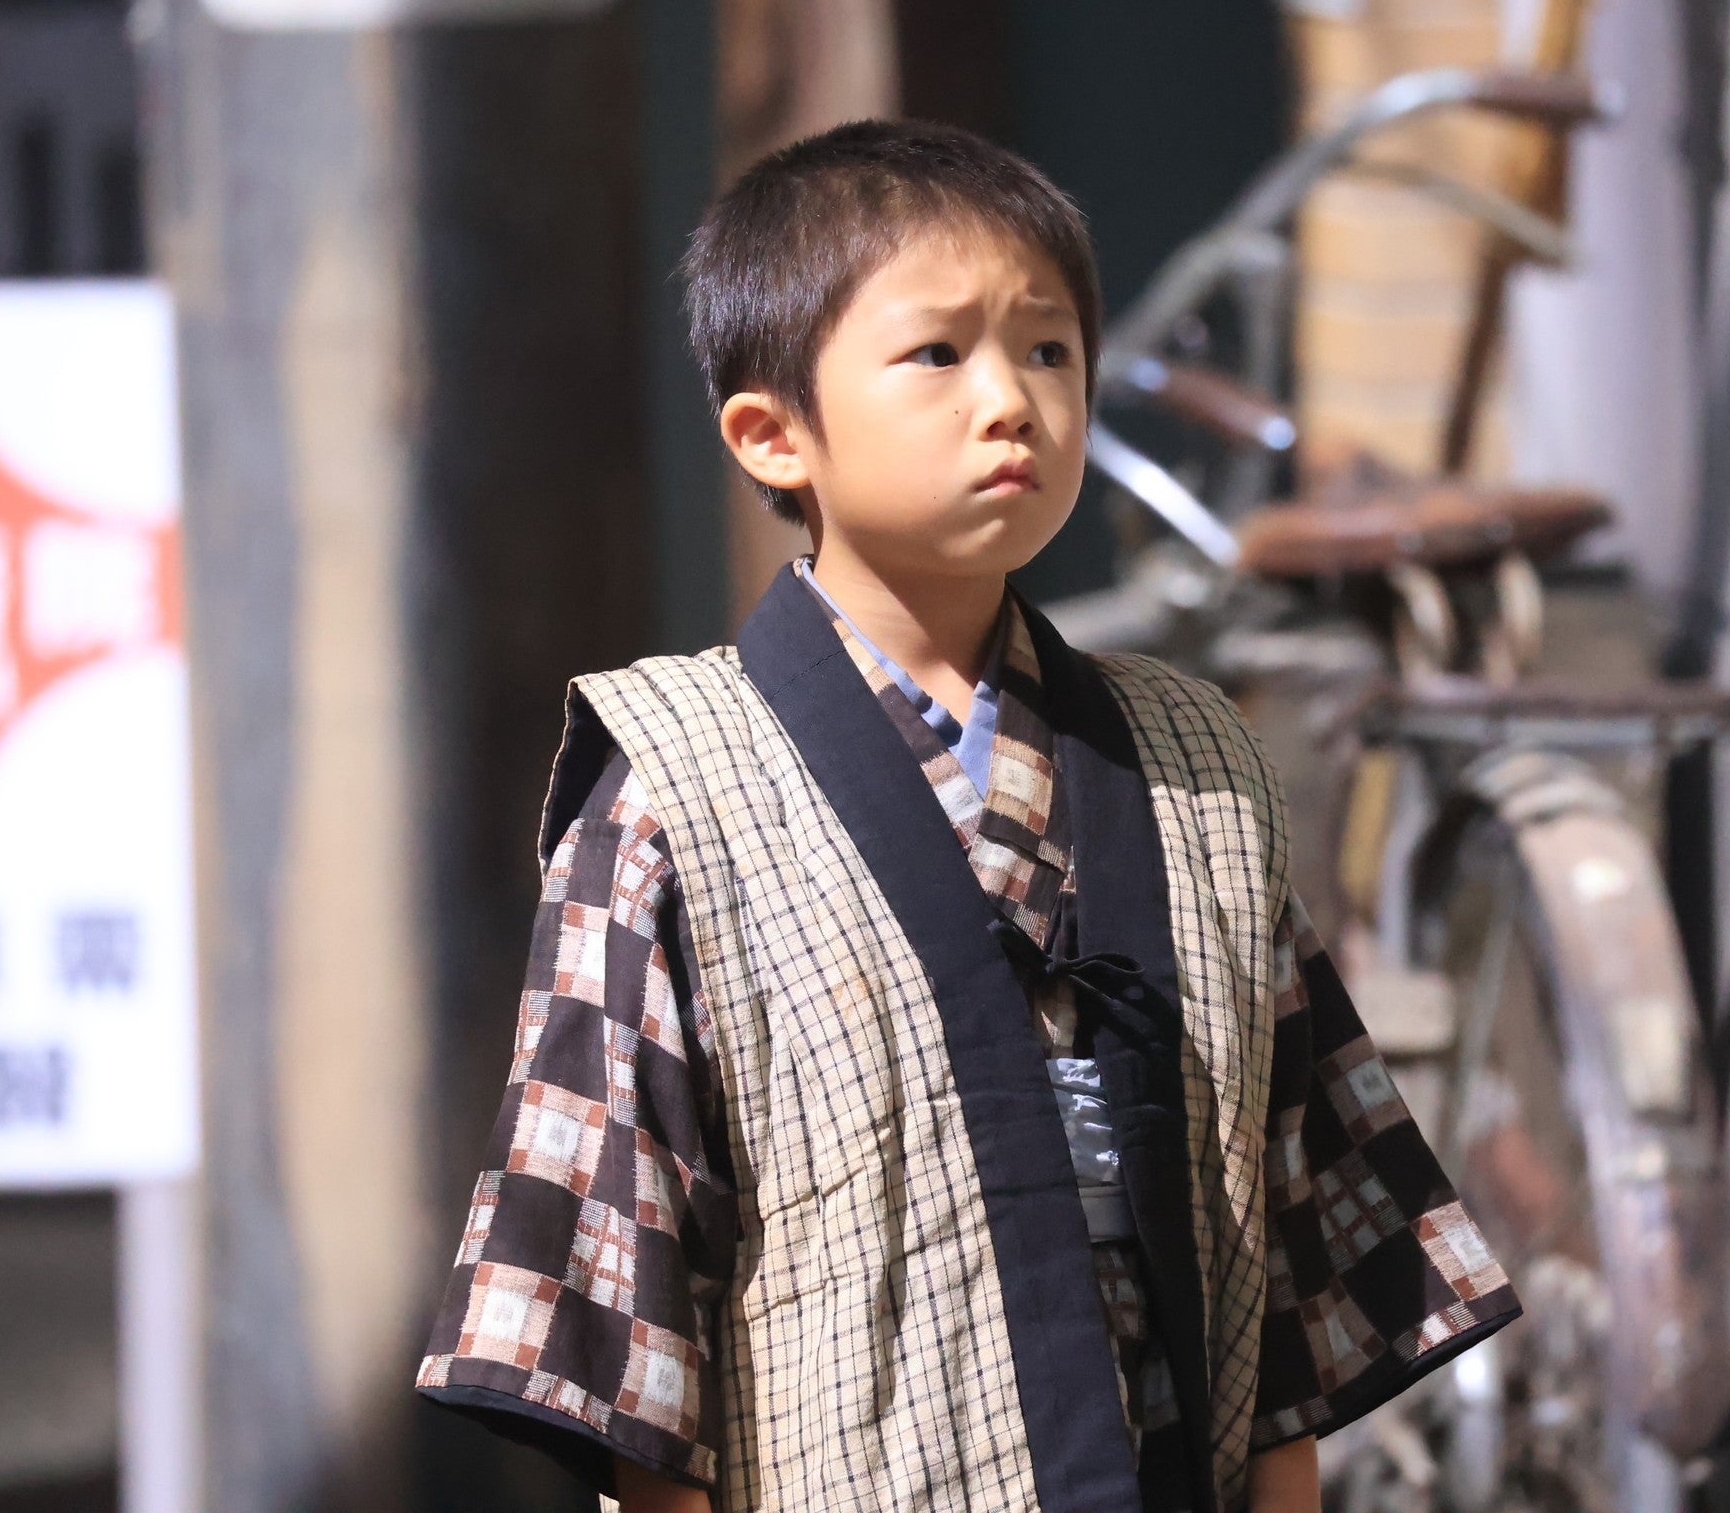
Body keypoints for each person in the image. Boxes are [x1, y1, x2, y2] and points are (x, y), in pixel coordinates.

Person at [415, 119, 1519, 1512]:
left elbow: (1287, 1252)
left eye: (1048, 349)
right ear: (772, 434)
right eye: (937, 354)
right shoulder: (677, 790)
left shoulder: (1198, 764)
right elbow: (624, 1293)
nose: (1011, 400)